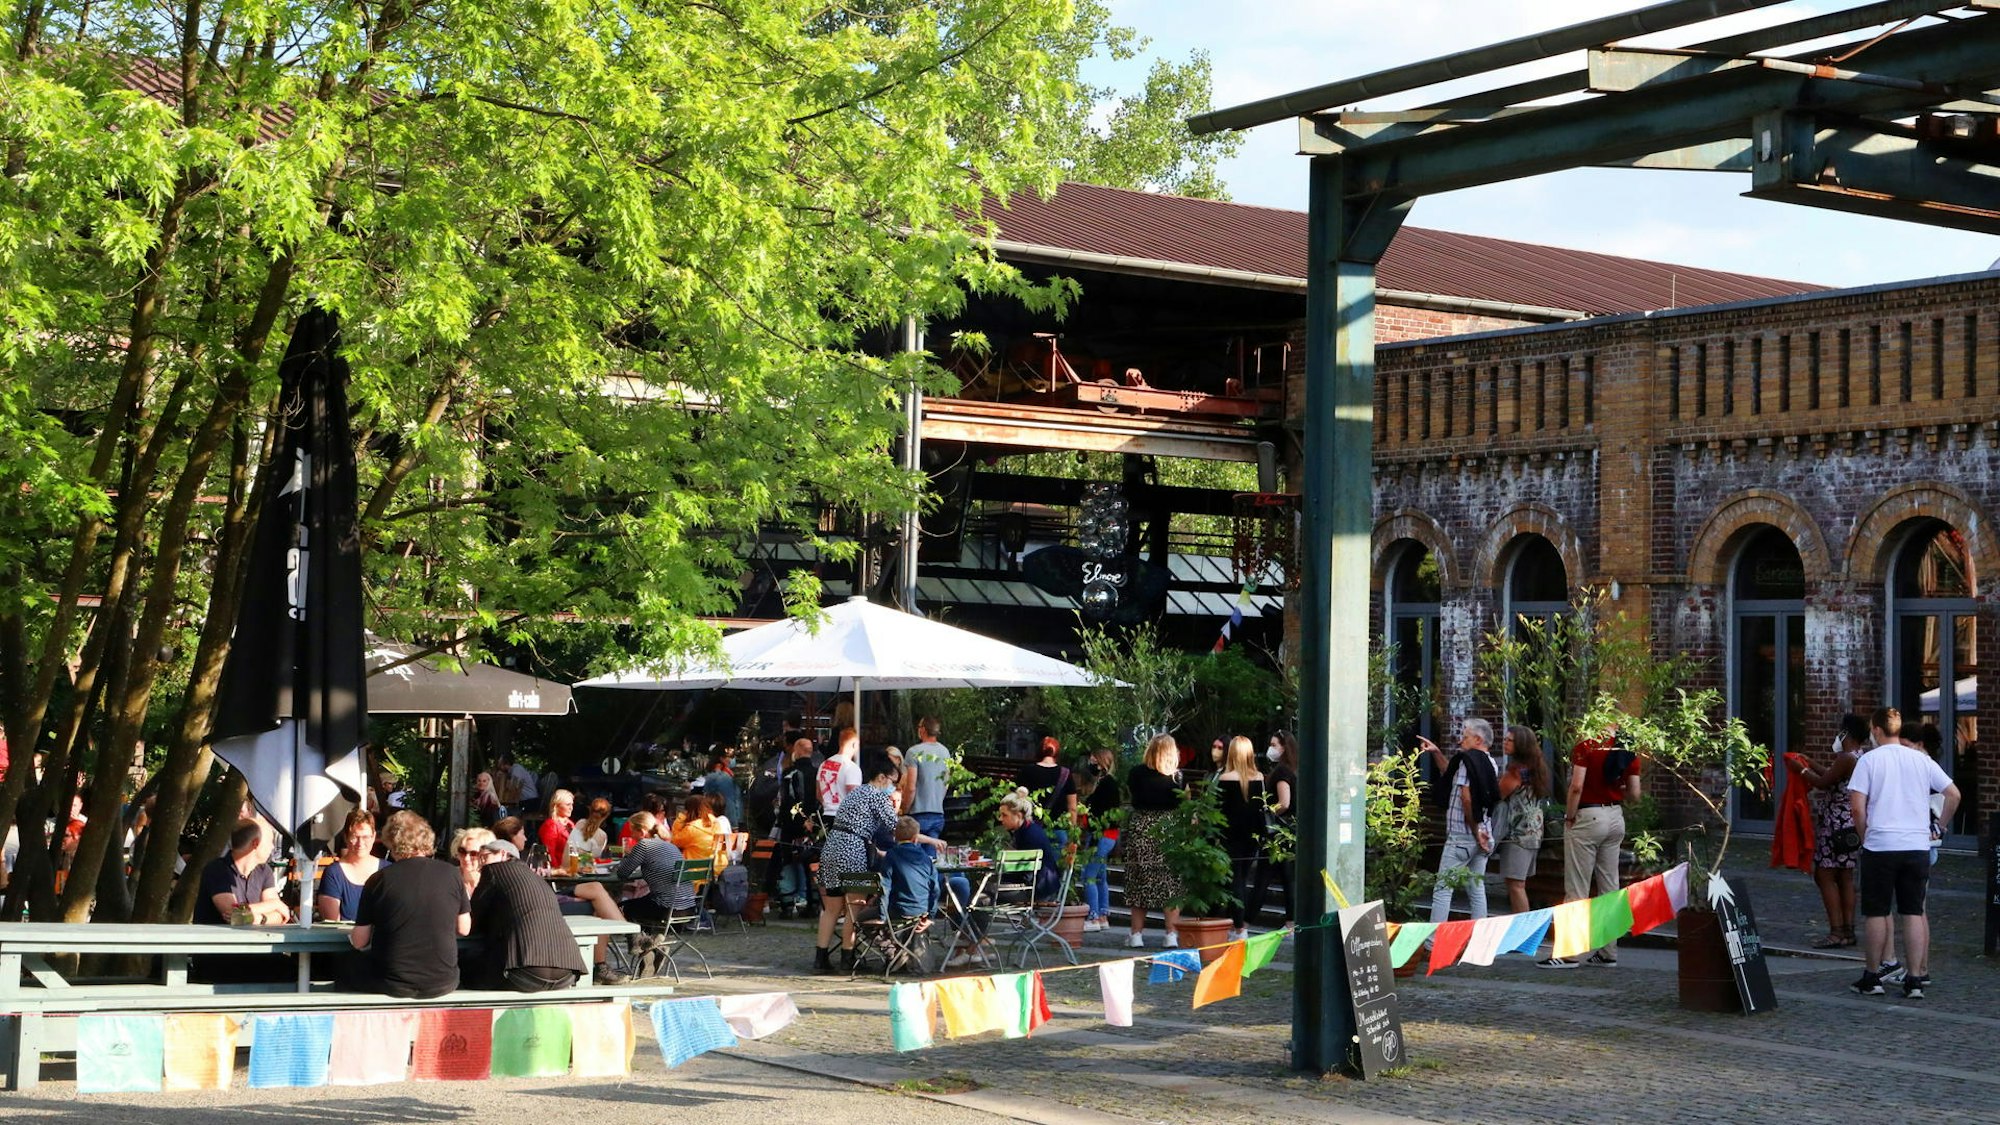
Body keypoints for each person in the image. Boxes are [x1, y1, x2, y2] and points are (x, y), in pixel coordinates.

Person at [1847, 707, 1960, 999]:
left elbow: (1857, 807)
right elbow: (1953, 794)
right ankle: (1915, 979)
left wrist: (1864, 835)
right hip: (1916, 845)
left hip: (1881, 845)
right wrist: (1940, 827)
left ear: (1875, 729)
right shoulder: (1921, 760)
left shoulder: (1868, 761)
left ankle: (1872, 976)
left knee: (1877, 912)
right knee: (1913, 911)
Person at [1541, 724, 1641, 968]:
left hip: (1588, 816)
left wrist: (1569, 817)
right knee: (1610, 886)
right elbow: (1636, 794)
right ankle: (1609, 952)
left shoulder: (1587, 745)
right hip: (1615, 817)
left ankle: (1570, 954)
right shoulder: (1628, 749)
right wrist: (1616, 790)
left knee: (1577, 887)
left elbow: (1576, 786)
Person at [345, 811, 469, 999]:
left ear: (392, 842)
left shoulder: (379, 880)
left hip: (392, 982)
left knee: (344, 967)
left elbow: (360, 941)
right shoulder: (452, 874)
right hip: (443, 981)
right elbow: (464, 928)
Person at [814, 752, 903, 974]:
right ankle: (848, 959)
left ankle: (820, 959)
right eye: (893, 782)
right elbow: (898, 827)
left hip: (832, 847)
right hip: (853, 851)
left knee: (831, 909)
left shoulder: (856, 793)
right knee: (855, 906)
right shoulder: (877, 796)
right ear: (882, 777)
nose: (893, 787)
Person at [468, 838, 596, 989]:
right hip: (567, 972)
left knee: (463, 969)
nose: (480, 864)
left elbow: (471, 922)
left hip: (525, 971)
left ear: (503, 854)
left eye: (484, 856)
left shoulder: (495, 869)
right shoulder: (537, 878)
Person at [1420, 719, 1500, 935]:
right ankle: (1480, 940)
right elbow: (1452, 775)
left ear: (1478, 739)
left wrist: (1475, 832)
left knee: (1443, 890)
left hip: (1463, 836)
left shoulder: (1468, 760)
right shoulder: (1490, 763)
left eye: (1465, 736)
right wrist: (1437, 753)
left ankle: (1432, 944)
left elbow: (1466, 798)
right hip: (1483, 835)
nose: (1461, 740)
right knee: (1476, 889)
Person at [1795, 713, 1867, 948]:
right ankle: (1848, 930)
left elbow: (1823, 782)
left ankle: (1836, 931)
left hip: (1835, 825)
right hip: (1850, 825)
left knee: (1825, 875)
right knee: (1845, 876)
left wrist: (1801, 770)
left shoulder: (1846, 757)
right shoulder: (1859, 757)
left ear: (1847, 733)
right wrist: (1810, 763)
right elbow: (1831, 774)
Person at [1122, 734, 1188, 950]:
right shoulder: (1177, 777)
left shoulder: (1136, 773)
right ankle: (1171, 934)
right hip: (1169, 828)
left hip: (1141, 825)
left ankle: (1136, 934)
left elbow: (1134, 795)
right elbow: (1184, 803)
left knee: (1139, 881)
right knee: (1170, 881)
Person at [1214, 735, 1269, 942]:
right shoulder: (1259, 777)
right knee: (1243, 878)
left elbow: (1219, 809)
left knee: (1234, 880)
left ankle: (1238, 927)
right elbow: (1262, 809)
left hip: (1231, 835)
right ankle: (1240, 924)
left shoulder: (1225, 778)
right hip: (1252, 835)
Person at [1492, 725, 1550, 915]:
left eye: (1510, 740)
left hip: (1518, 834)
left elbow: (1497, 794)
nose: (1505, 743)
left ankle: (1522, 932)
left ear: (1521, 745)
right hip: (1533, 831)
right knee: (1518, 883)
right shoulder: (1536, 768)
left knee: (1516, 885)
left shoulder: (1516, 772)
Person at [193, 820, 291, 925]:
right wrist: (275, 904)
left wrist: (259, 919)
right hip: (217, 940)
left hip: (253, 940)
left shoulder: (264, 870)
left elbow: (280, 915)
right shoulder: (217, 870)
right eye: (270, 841)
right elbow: (234, 915)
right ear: (255, 843)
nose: (272, 847)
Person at [613, 809, 697, 927]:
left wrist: (627, 856)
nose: (631, 835)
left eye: (633, 832)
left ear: (642, 832)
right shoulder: (670, 846)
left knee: (616, 908)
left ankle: (637, 941)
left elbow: (622, 873)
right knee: (646, 900)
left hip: (666, 909)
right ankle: (648, 940)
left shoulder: (644, 845)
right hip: (688, 908)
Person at [1254, 732, 1299, 925]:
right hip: (1290, 832)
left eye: (1274, 745)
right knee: (1289, 880)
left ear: (1283, 747)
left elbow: (1284, 803)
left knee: (1263, 879)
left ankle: (1244, 924)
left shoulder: (1281, 772)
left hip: (1278, 832)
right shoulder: (1295, 770)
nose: (1270, 749)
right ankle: (1291, 921)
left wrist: (1268, 812)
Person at [1078, 746, 1122, 932]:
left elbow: (1102, 813)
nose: (1091, 763)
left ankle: (1094, 916)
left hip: (1101, 835)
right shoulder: (1107, 783)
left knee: (1089, 876)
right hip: (1108, 835)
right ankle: (1103, 914)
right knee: (1101, 876)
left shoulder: (1106, 785)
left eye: (1094, 760)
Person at [315, 811, 383, 922]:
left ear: (374, 836)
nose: (360, 843)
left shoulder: (387, 870)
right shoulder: (333, 874)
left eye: (366, 837)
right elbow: (332, 925)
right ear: (345, 837)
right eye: (355, 837)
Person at [996, 787, 1061, 901]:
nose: (1000, 819)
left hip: (1037, 891)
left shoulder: (1029, 836)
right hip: (1044, 886)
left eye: (1004, 815)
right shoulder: (1029, 830)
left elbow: (1023, 873)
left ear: (1019, 816)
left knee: (985, 894)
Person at [874, 816, 940, 929]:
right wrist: (931, 916)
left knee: (858, 918)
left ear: (895, 837)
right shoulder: (926, 859)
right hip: (921, 911)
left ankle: (885, 941)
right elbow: (935, 889)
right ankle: (896, 943)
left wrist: (882, 917)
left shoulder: (891, 855)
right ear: (915, 838)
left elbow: (885, 887)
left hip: (898, 910)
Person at [907, 716, 953, 846]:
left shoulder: (914, 752)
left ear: (923, 730)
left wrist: (904, 810)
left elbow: (911, 787)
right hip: (938, 813)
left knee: (915, 859)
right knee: (931, 858)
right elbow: (946, 783)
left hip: (917, 813)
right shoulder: (945, 752)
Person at [1017, 737, 1079, 832]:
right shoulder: (1065, 774)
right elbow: (1072, 808)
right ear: (1057, 753)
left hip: (1031, 828)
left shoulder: (1027, 771)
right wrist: (1073, 834)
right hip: (1058, 828)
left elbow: (1018, 801)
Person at [670, 793, 731, 871]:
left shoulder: (692, 828)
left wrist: (680, 820)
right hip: (713, 871)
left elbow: (674, 843)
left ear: (689, 810)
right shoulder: (715, 823)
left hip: (692, 875)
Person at [816, 727, 862, 820]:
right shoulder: (851, 767)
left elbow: (818, 793)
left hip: (825, 816)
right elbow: (854, 798)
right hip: (845, 818)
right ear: (854, 744)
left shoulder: (824, 764)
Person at [702, 750, 743, 826]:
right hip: (729, 818)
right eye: (729, 757)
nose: (731, 760)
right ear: (721, 759)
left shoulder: (725, 775)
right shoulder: (722, 776)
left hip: (727, 818)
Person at [539, 789, 577, 860]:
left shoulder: (569, 823)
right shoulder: (550, 826)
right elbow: (550, 855)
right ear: (556, 806)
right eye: (568, 804)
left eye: (572, 804)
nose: (571, 808)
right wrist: (558, 870)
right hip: (560, 868)